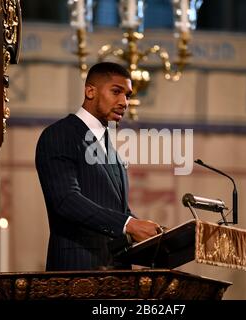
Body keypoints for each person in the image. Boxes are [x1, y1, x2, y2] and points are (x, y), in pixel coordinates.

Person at [35, 62, 161, 271]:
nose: (124, 102)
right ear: (90, 91)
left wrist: (155, 235)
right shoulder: (60, 135)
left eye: (128, 96)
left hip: (117, 275)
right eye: (116, 91)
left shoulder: (113, 152)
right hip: (77, 272)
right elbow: (66, 200)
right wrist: (129, 224)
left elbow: (119, 210)